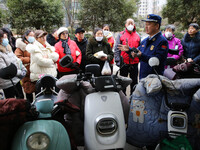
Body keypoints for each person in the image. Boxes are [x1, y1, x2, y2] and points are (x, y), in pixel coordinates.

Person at [118, 14, 169, 80]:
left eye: (149, 24)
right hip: (143, 77)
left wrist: (141, 56)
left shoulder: (162, 41)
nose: (146, 27)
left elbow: (157, 61)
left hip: (154, 79)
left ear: (157, 26)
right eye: (146, 24)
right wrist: (129, 50)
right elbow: (138, 51)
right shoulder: (145, 40)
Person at [114, 18, 140, 94]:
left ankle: (133, 98)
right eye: (129, 23)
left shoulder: (138, 35)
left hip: (134, 63)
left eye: (132, 23)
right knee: (122, 83)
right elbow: (116, 49)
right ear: (125, 25)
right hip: (124, 63)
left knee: (134, 82)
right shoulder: (121, 35)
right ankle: (122, 98)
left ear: (134, 25)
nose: (130, 25)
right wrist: (118, 61)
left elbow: (141, 49)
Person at [0, 29, 26, 99]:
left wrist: (23, 69)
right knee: (12, 103)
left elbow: (17, 61)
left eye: (6, 37)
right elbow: (5, 70)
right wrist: (20, 72)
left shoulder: (8, 48)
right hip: (7, 83)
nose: (6, 39)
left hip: (16, 80)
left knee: (21, 99)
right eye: (4, 38)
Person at [15, 30, 36, 102]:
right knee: (28, 91)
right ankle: (29, 108)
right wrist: (30, 59)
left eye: (33, 36)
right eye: (31, 36)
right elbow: (18, 59)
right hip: (27, 73)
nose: (32, 37)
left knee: (37, 91)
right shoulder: (21, 47)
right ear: (26, 36)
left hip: (35, 72)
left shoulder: (35, 45)